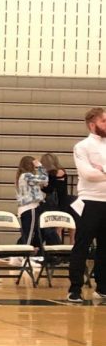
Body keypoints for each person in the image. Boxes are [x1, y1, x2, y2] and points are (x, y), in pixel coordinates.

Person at [67, 107, 106, 302]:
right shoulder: (82, 146)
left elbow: (97, 173)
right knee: (82, 245)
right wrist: (97, 172)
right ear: (93, 124)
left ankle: (103, 286)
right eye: (104, 121)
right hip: (89, 201)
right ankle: (75, 288)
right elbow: (88, 174)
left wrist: (103, 169)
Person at [15, 155, 52, 248]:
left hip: (31, 207)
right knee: (29, 233)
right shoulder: (26, 176)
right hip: (30, 207)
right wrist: (40, 167)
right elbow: (45, 179)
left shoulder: (25, 176)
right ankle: (25, 255)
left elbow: (44, 182)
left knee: (38, 231)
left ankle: (30, 252)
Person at [41, 152, 76, 243]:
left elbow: (51, 189)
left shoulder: (58, 172)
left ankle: (61, 250)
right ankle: (59, 248)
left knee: (59, 228)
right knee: (57, 228)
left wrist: (43, 185)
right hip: (58, 201)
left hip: (60, 202)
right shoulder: (54, 172)